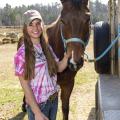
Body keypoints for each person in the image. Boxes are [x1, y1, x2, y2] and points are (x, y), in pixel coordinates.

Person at [14, 9, 70, 120]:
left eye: (38, 23)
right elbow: (26, 87)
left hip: (53, 101)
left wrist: (67, 56)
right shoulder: (21, 54)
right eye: (31, 25)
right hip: (38, 106)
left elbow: (58, 68)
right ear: (25, 28)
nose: (35, 28)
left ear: (42, 25)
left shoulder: (46, 48)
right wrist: (37, 113)